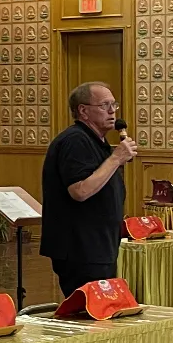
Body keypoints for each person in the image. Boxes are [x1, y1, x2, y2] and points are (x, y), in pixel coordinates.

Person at [41, 81, 135, 296]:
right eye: (104, 105)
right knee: (88, 315)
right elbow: (80, 191)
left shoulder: (95, 140)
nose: (112, 111)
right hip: (81, 248)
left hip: (97, 245)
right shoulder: (75, 140)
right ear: (83, 110)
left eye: (114, 104)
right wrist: (116, 159)